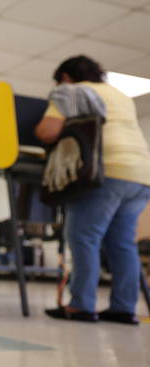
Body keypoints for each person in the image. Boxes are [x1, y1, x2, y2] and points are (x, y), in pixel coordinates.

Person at [36, 55, 150, 324]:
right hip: (142, 175)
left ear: (65, 76)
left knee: (84, 238)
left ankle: (81, 305)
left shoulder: (70, 91)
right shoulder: (121, 95)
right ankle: (123, 308)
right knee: (122, 244)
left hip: (104, 173)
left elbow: (47, 132)